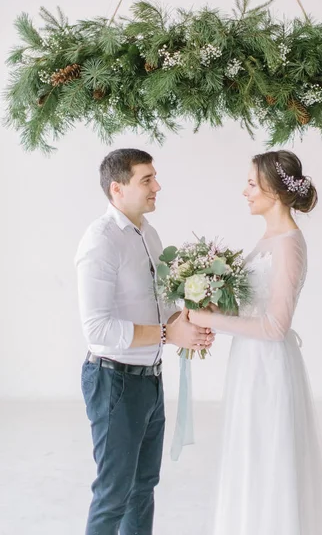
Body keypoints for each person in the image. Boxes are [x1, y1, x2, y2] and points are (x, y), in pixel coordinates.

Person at [189, 150, 322, 535]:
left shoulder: (288, 244)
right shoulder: (270, 236)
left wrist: (209, 320)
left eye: (252, 184)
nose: (245, 191)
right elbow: (255, 305)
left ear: (273, 189)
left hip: (268, 367)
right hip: (250, 362)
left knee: (267, 455)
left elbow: (275, 327)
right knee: (247, 453)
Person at [75, 148, 213, 535]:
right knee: (113, 494)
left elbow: (161, 306)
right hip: (113, 382)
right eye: (146, 180)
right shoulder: (99, 241)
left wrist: (189, 323)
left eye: (155, 177)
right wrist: (170, 334)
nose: (158, 186)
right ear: (117, 189)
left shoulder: (148, 234)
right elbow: (98, 330)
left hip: (149, 380)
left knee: (142, 490)